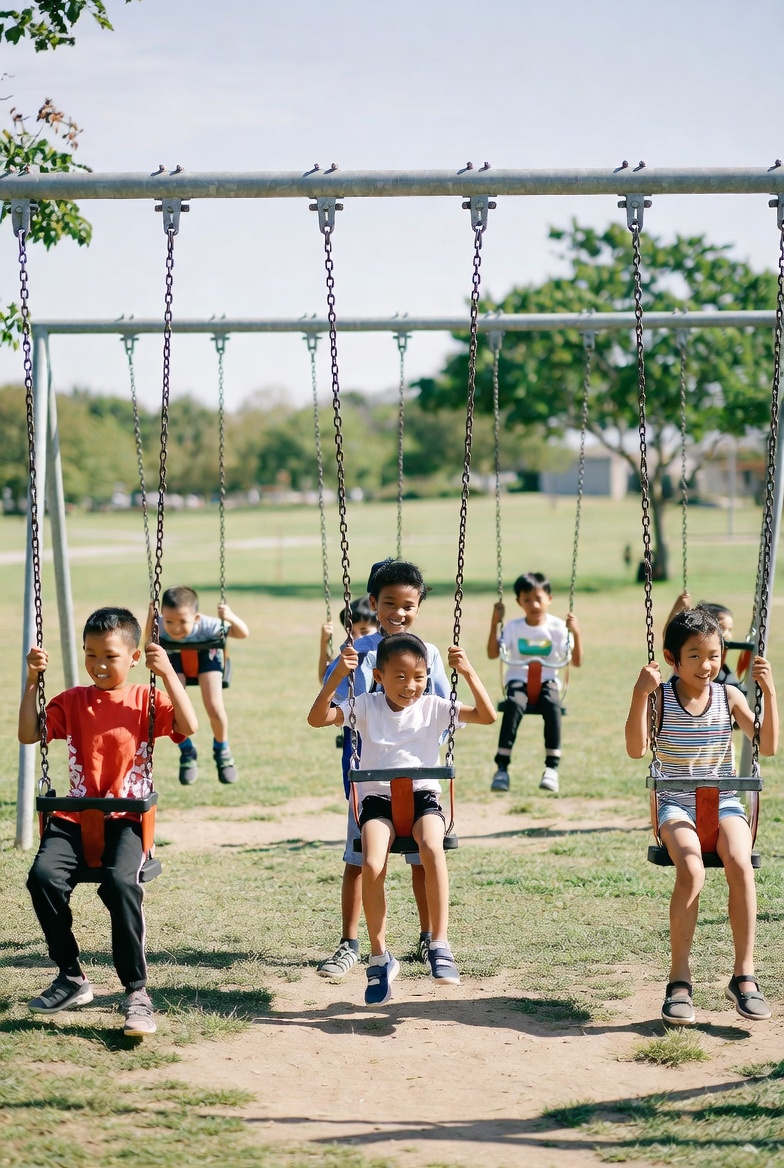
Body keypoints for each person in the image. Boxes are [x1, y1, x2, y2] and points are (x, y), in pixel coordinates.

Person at [19, 606, 199, 1037]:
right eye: (91, 654)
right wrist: (31, 683)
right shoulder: (74, 700)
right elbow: (29, 734)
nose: (99, 664)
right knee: (41, 878)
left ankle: (136, 991)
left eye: (111, 656)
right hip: (74, 816)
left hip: (128, 820)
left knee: (121, 883)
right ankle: (71, 976)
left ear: (134, 658)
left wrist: (169, 673)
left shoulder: (145, 698)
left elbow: (188, 725)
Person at [309, 631, 496, 1005]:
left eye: (419, 677)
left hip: (425, 798)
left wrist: (469, 671)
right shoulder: (365, 705)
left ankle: (440, 945)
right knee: (372, 862)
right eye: (399, 677)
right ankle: (380, 957)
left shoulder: (434, 706)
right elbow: (317, 719)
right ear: (379, 676)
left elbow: (488, 716)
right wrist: (334, 678)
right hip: (377, 802)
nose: (410, 686)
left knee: (432, 847)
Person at [625, 607, 778, 1026]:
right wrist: (641, 694)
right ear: (672, 658)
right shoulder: (660, 697)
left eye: (714, 655)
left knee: (740, 865)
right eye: (694, 656)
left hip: (724, 799)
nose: (707, 665)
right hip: (675, 802)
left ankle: (744, 977)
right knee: (692, 870)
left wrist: (771, 693)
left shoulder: (730, 697)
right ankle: (679, 980)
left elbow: (766, 746)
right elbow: (637, 749)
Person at [317, 558, 450, 980]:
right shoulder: (358, 653)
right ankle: (350, 943)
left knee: (421, 860)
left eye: (408, 605)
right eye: (388, 603)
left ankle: (431, 938)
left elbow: (443, 709)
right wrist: (341, 668)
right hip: (366, 779)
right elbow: (330, 701)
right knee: (360, 861)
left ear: (418, 607)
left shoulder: (428, 654)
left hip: (417, 776)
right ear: (373, 603)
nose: (398, 613)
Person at [487, 571, 583, 794]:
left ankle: (552, 769)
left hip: (548, 681)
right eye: (527, 599)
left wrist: (576, 634)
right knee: (513, 704)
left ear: (549, 598)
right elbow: (493, 654)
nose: (534, 604)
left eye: (538, 598)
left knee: (553, 705)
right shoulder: (512, 627)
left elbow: (576, 661)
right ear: (519, 601)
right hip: (517, 681)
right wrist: (494, 622)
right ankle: (501, 768)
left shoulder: (559, 628)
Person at [147, 586, 249, 785]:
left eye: (182, 622)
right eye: (169, 621)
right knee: (173, 710)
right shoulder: (159, 624)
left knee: (214, 706)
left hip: (207, 657)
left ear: (196, 618)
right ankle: (187, 750)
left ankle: (222, 750)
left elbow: (242, 633)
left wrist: (230, 616)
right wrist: (150, 617)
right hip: (174, 658)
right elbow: (147, 644)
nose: (175, 628)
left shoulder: (209, 626)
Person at [663, 590, 743, 689]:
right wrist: (677, 608)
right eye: (722, 628)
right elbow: (671, 638)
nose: (727, 635)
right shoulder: (684, 664)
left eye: (730, 630)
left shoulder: (728, 682)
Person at [317, 595, 378, 682]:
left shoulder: (387, 656)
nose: (358, 637)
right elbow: (325, 680)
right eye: (352, 633)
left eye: (365, 632)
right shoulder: (353, 657)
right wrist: (324, 642)